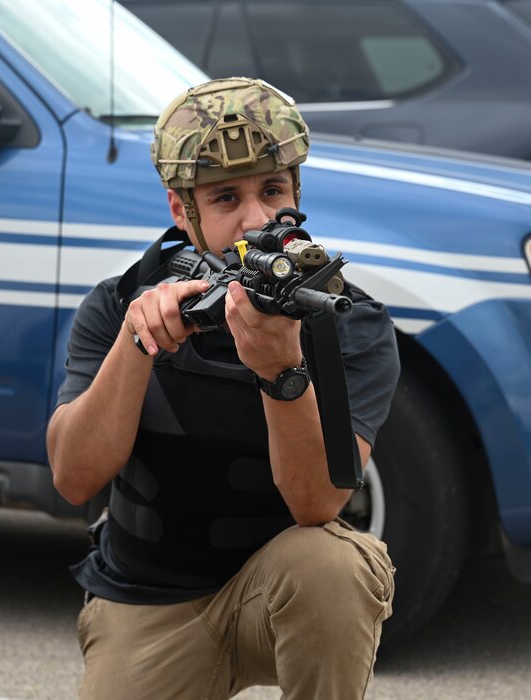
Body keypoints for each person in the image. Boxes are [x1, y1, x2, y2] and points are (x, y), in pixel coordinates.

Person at [47, 77, 400, 700]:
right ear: (181, 211)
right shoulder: (118, 303)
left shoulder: (348, 322)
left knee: (335, 566)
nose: (258, 218)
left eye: (272, 189)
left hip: (278, 590)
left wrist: (280, 371)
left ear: (296, 192)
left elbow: (318, 506)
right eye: (225, 198)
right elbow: (74, 477)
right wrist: (138, 342)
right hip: (150, 597)